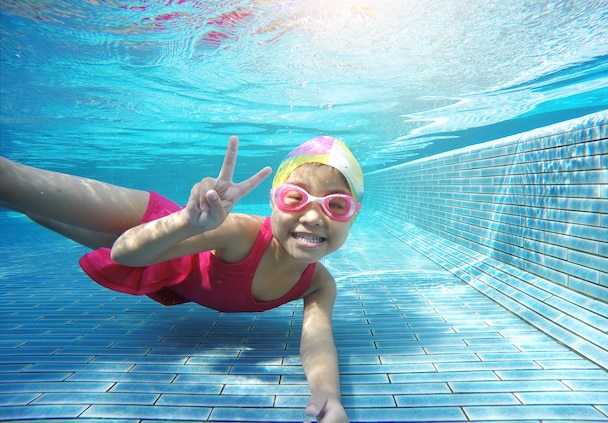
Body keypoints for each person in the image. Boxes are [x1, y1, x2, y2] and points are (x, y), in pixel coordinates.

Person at [0, 135, 364, 423]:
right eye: (295, 198)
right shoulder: (240, 232)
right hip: (161, 227)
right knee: (18, 185)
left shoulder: (318, 284)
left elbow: (316, 342)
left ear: (352, 217)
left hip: (163, 256)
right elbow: (124, 253)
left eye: (336, 205)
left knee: (33, 211)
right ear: (273, 202)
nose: (314, 217)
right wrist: (186, 222)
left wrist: (328, 393)